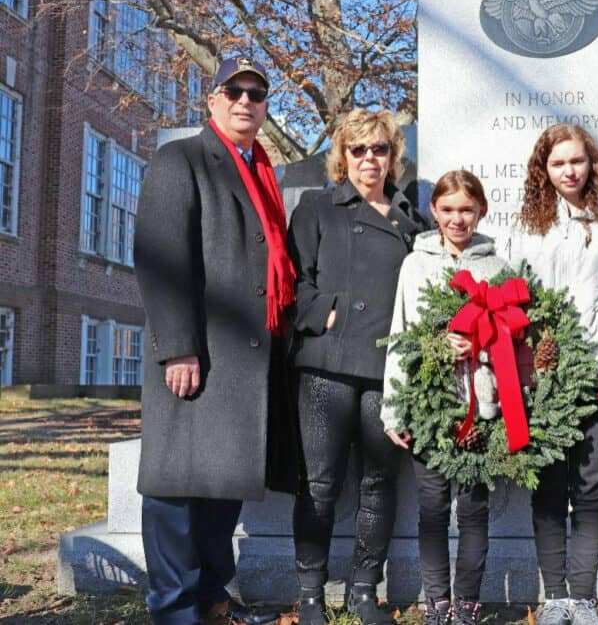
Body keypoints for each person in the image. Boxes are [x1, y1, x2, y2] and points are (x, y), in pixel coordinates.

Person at [134, 56, 295, 625]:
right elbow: (161, 259)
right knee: (176, 487)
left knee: (221, 485)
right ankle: (174, 609)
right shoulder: (180, 159)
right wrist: (178, 346)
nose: (245, 100)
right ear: (213, 98)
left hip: (244, 360)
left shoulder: (260, 169)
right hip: (197, 351)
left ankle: (209, 598)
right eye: (235, 90)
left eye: (257, 92)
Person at [287, 108, 429, 625]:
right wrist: (325, 311)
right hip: (327, 364)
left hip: (387, 370)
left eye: (380, 149)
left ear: (393, 157)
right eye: (358, 149)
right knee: (320, 483)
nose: (370, 158)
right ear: (342, 155)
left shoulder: (413, 220)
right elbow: (293, 280)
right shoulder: (317, 207)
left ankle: (365, 590)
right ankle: (309, 594)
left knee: (378, 482)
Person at [507, 124, 598, 625]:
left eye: (577, 161)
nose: (569, 170)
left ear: (591, 165)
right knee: (547, 484)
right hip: (538, 376)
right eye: (558, 162)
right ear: (544, 169)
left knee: (588, 483)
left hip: (595, 370)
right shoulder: (526, 225)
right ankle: (555, 596)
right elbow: (511, 299)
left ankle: (583, 599)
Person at [381, 170, 510, 625]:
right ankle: (437, 603)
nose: (458, 219)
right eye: (448, 209)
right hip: (428, 406)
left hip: (482, 404)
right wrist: (393, 409)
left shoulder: (496, 267)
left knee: (473, 509)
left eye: (467, 210)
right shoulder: (415, 265)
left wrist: (482, 343)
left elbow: (514, 338)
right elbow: (401, 334)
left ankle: (468, 603)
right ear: (434, 211)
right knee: (432, 508)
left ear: (481, 212)